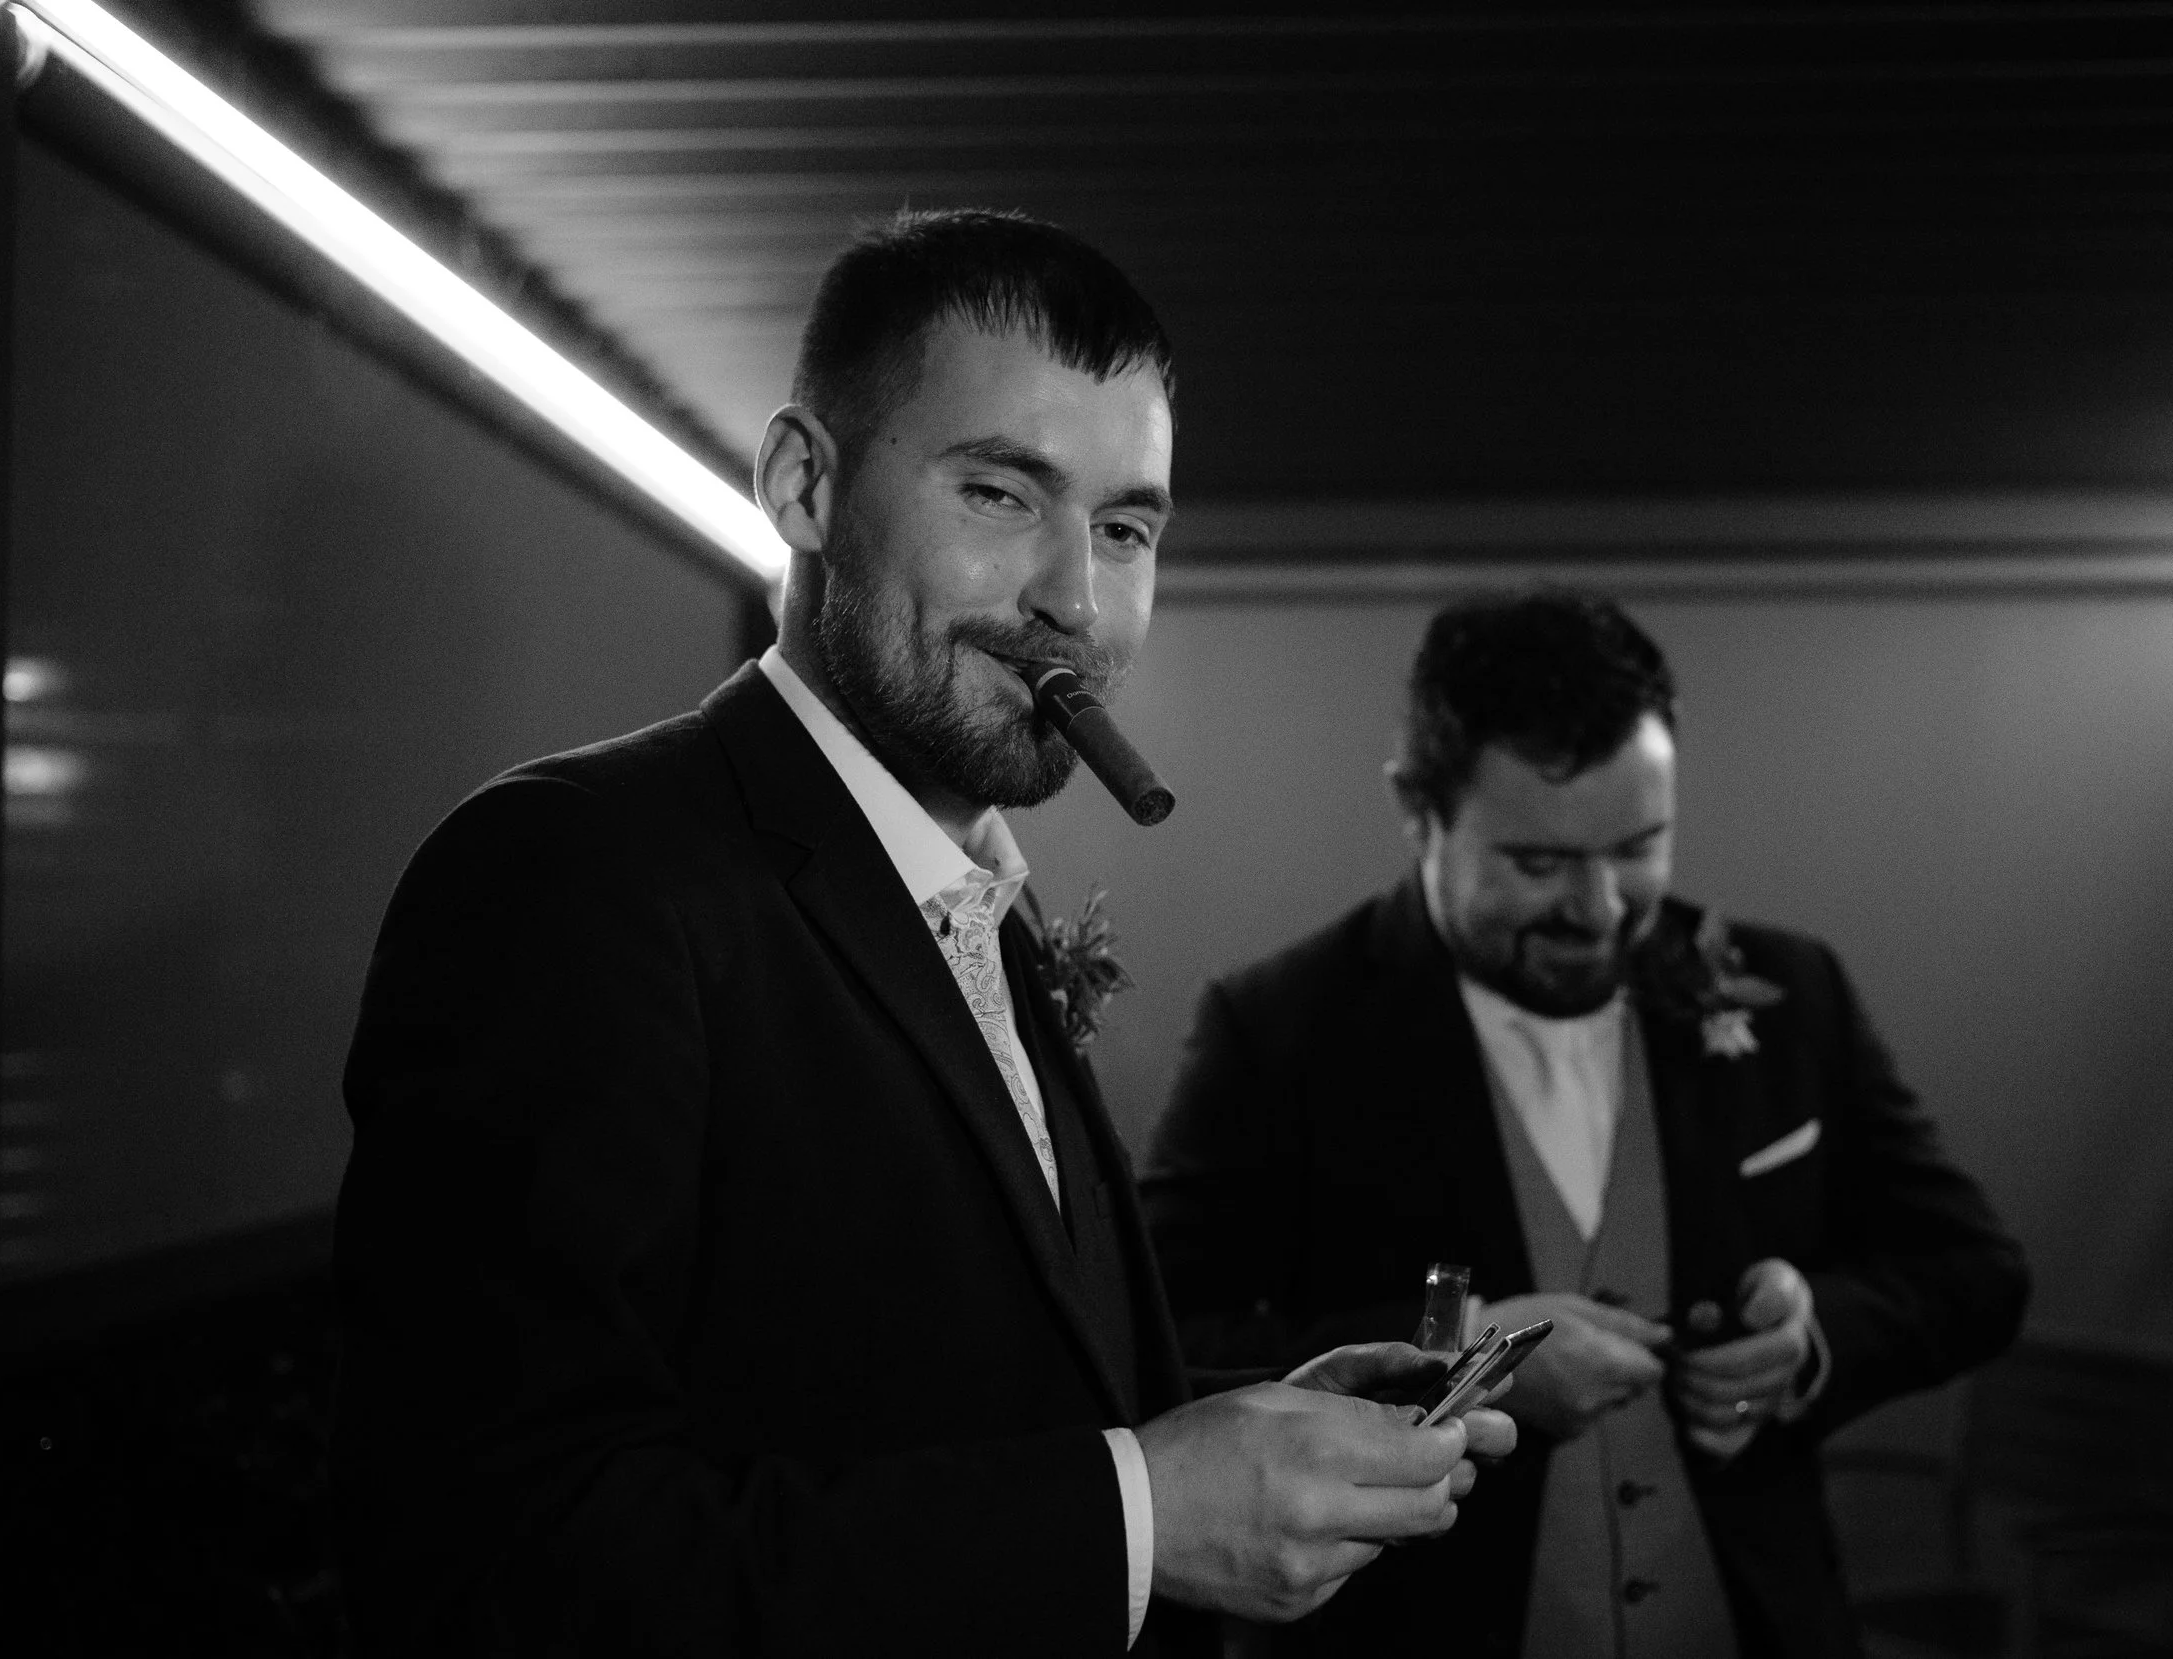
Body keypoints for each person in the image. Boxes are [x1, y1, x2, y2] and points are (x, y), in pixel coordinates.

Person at [330, 209, 1511, 1657]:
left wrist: (1229, 1430)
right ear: (802, 485)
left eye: (1125, 527)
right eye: (1002, 494)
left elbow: (936, 1389)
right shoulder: (575, 872)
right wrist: (1142, 1512)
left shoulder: (976, 907)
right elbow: (503, 1557)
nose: (1075, 598)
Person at [1143, 591, 2031, 1657]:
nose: (1601, 909)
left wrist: (1810, 1338)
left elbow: (1974, 1270)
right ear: (1418, 810)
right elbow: (1167, 1345)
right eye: (1538, 864)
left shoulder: (1790, 990)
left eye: (1637, 848)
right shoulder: (1277, 1030)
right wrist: (1456, 1343)